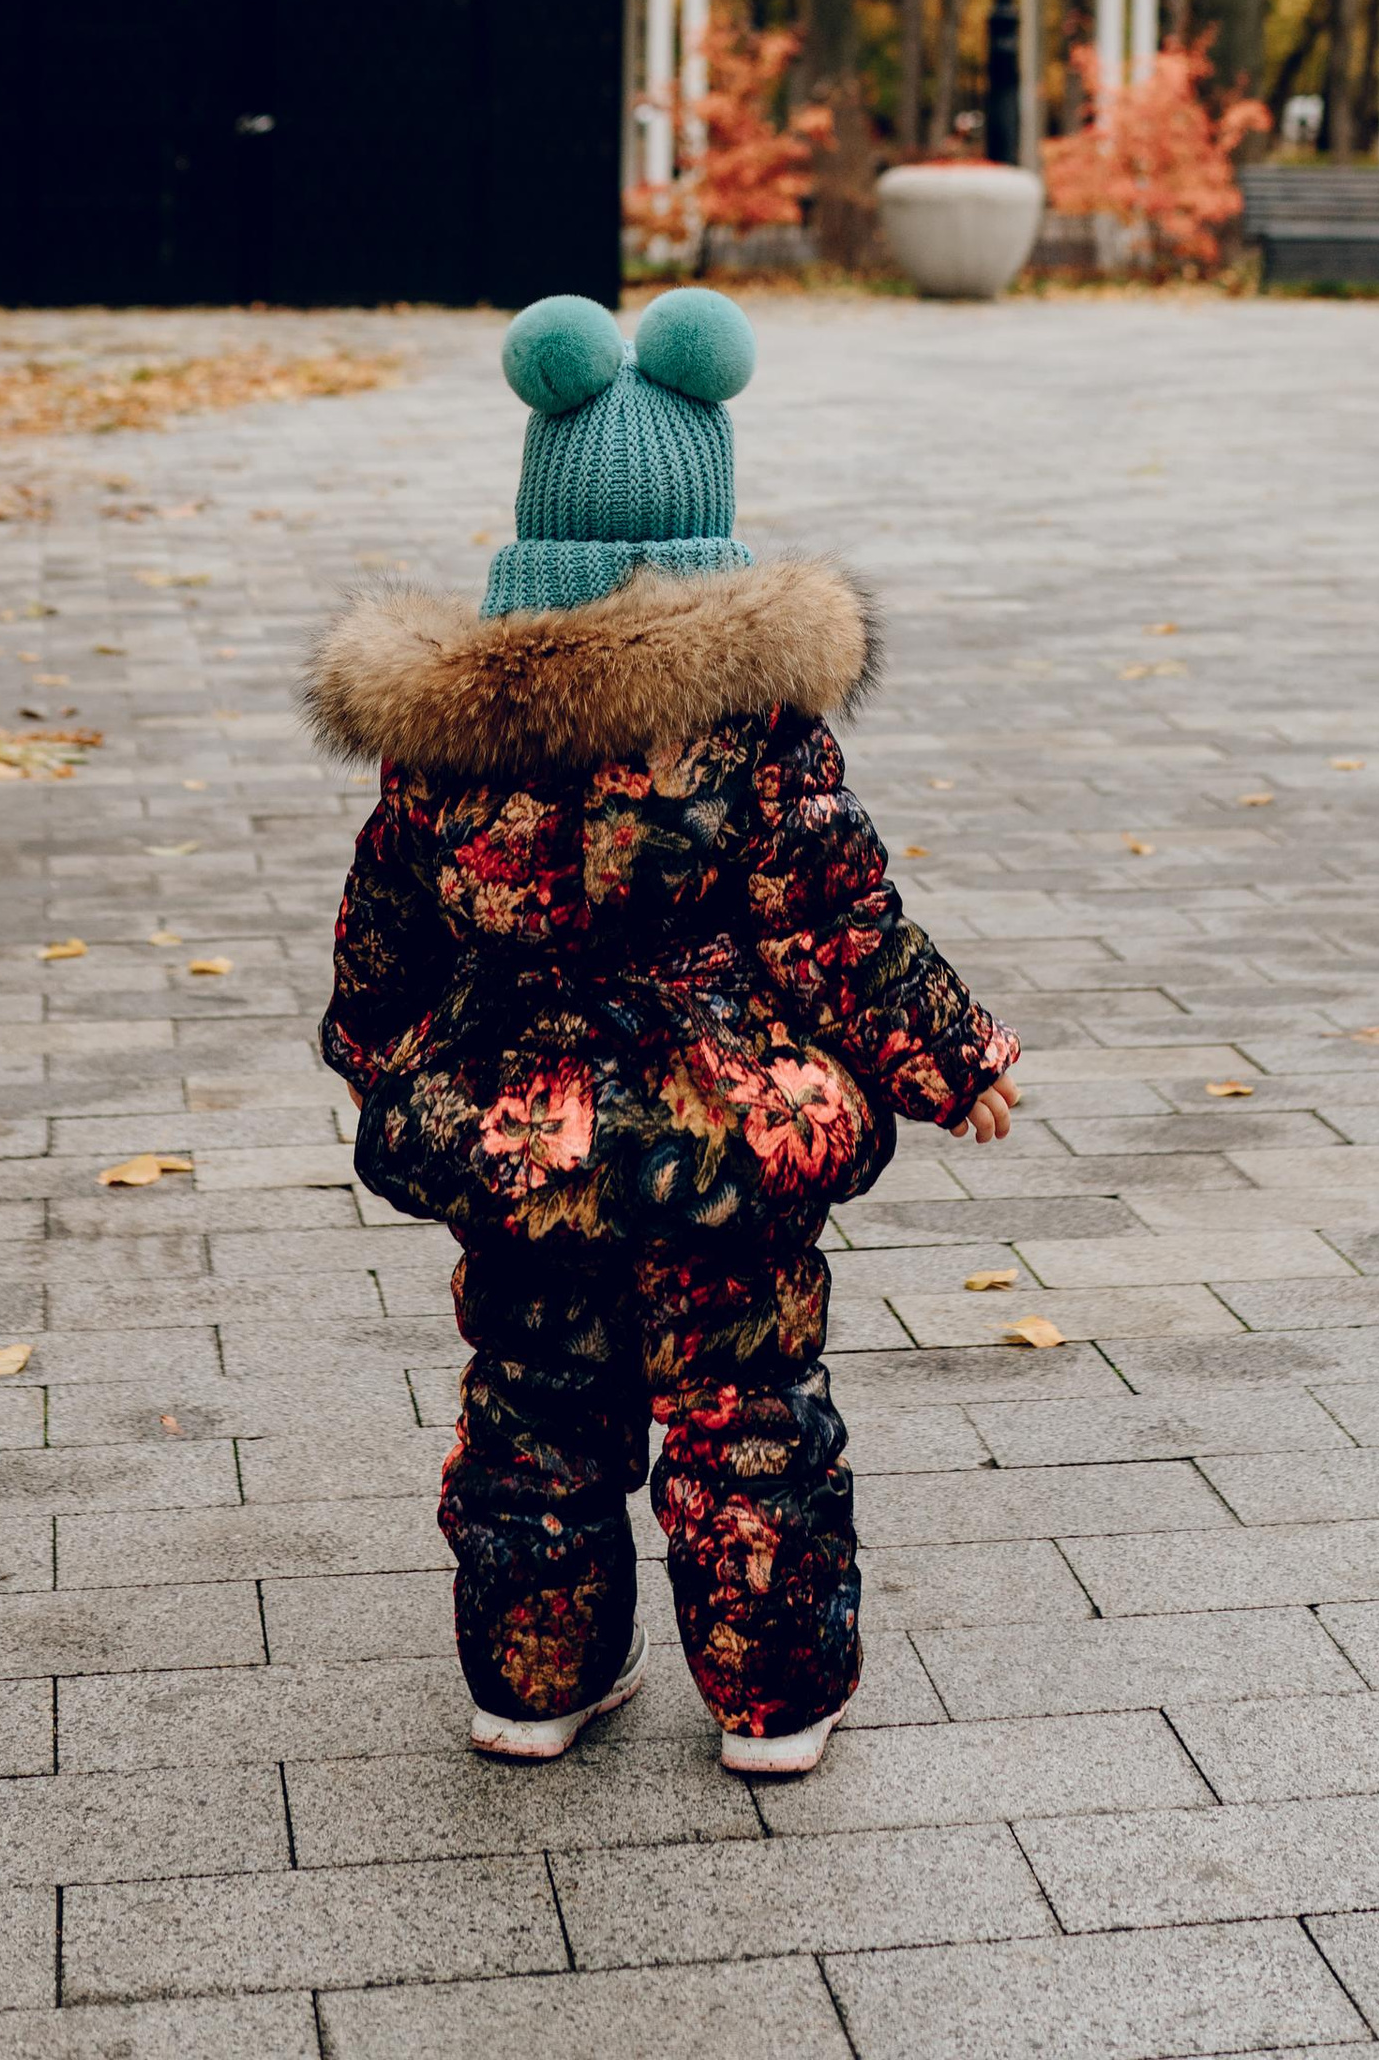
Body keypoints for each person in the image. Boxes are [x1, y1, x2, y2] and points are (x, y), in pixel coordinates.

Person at [311, 286, 1019, 1782]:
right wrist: (950, 1055)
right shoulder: (758, 730)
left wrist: (386, 1061)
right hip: (725, 1141)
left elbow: (386, 929)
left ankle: (533, 1689)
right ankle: (775, 1706)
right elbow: (837, 918)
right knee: (746, 1410)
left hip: (523, 1136)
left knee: (536, 1411)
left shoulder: (448, 740)